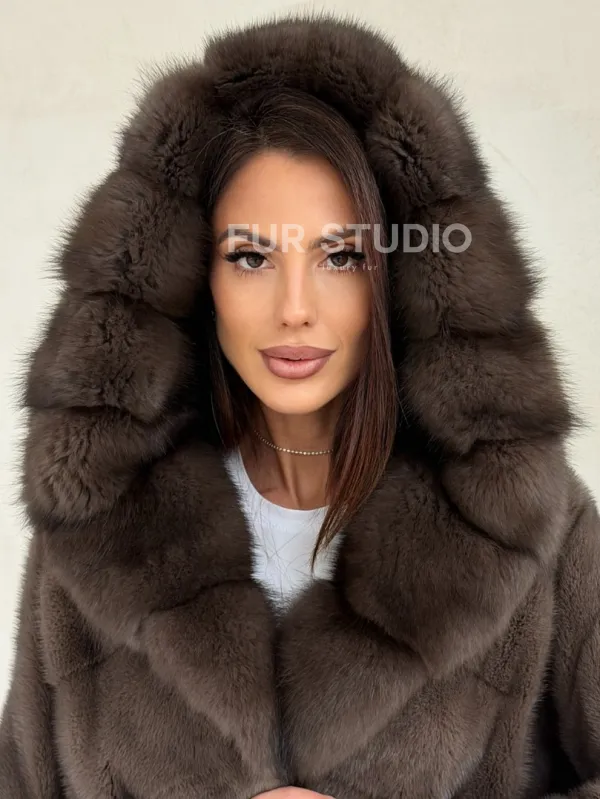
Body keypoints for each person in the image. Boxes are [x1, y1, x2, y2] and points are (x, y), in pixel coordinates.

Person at [1, 11, 599, 799]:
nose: (294, 309)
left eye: (341, 256)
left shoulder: (527, 521)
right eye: (250, 256)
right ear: (194, 276)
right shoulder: (99, 528)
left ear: (399, 278)